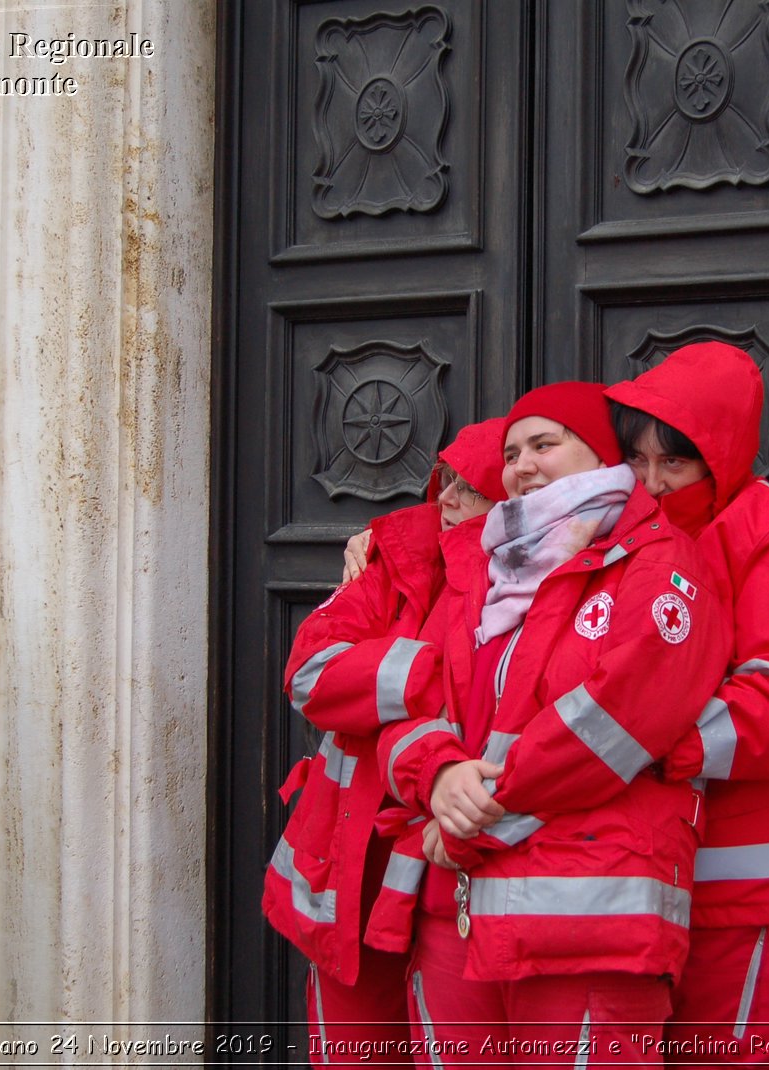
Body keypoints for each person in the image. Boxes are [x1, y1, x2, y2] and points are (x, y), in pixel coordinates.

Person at [371, 382, 729, 1065]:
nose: (522, 466)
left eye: (545, 444)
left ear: (601, 458)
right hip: (458, 912)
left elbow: (615, 722)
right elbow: (413, 703)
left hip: (587, 921)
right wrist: (437, 773)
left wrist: (474, 817)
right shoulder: (478, 571)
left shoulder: (660, 562)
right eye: (511, 453)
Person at [604, 341, 769, 1063]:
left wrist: (631, 749)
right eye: (637, 460)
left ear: (719, 456)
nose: (650, 482)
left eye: (673, 462)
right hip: (658, 882)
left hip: (766, 887)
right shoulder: (624, 535)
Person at [264, 419, 506, 1066]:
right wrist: (426, 671)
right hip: (354, 871)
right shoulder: (394, 559)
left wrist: (381, 676)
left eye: (470, 488)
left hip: (449, 874)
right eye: (443, 480)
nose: (447, 498)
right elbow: (310, 672)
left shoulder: (521, 581)